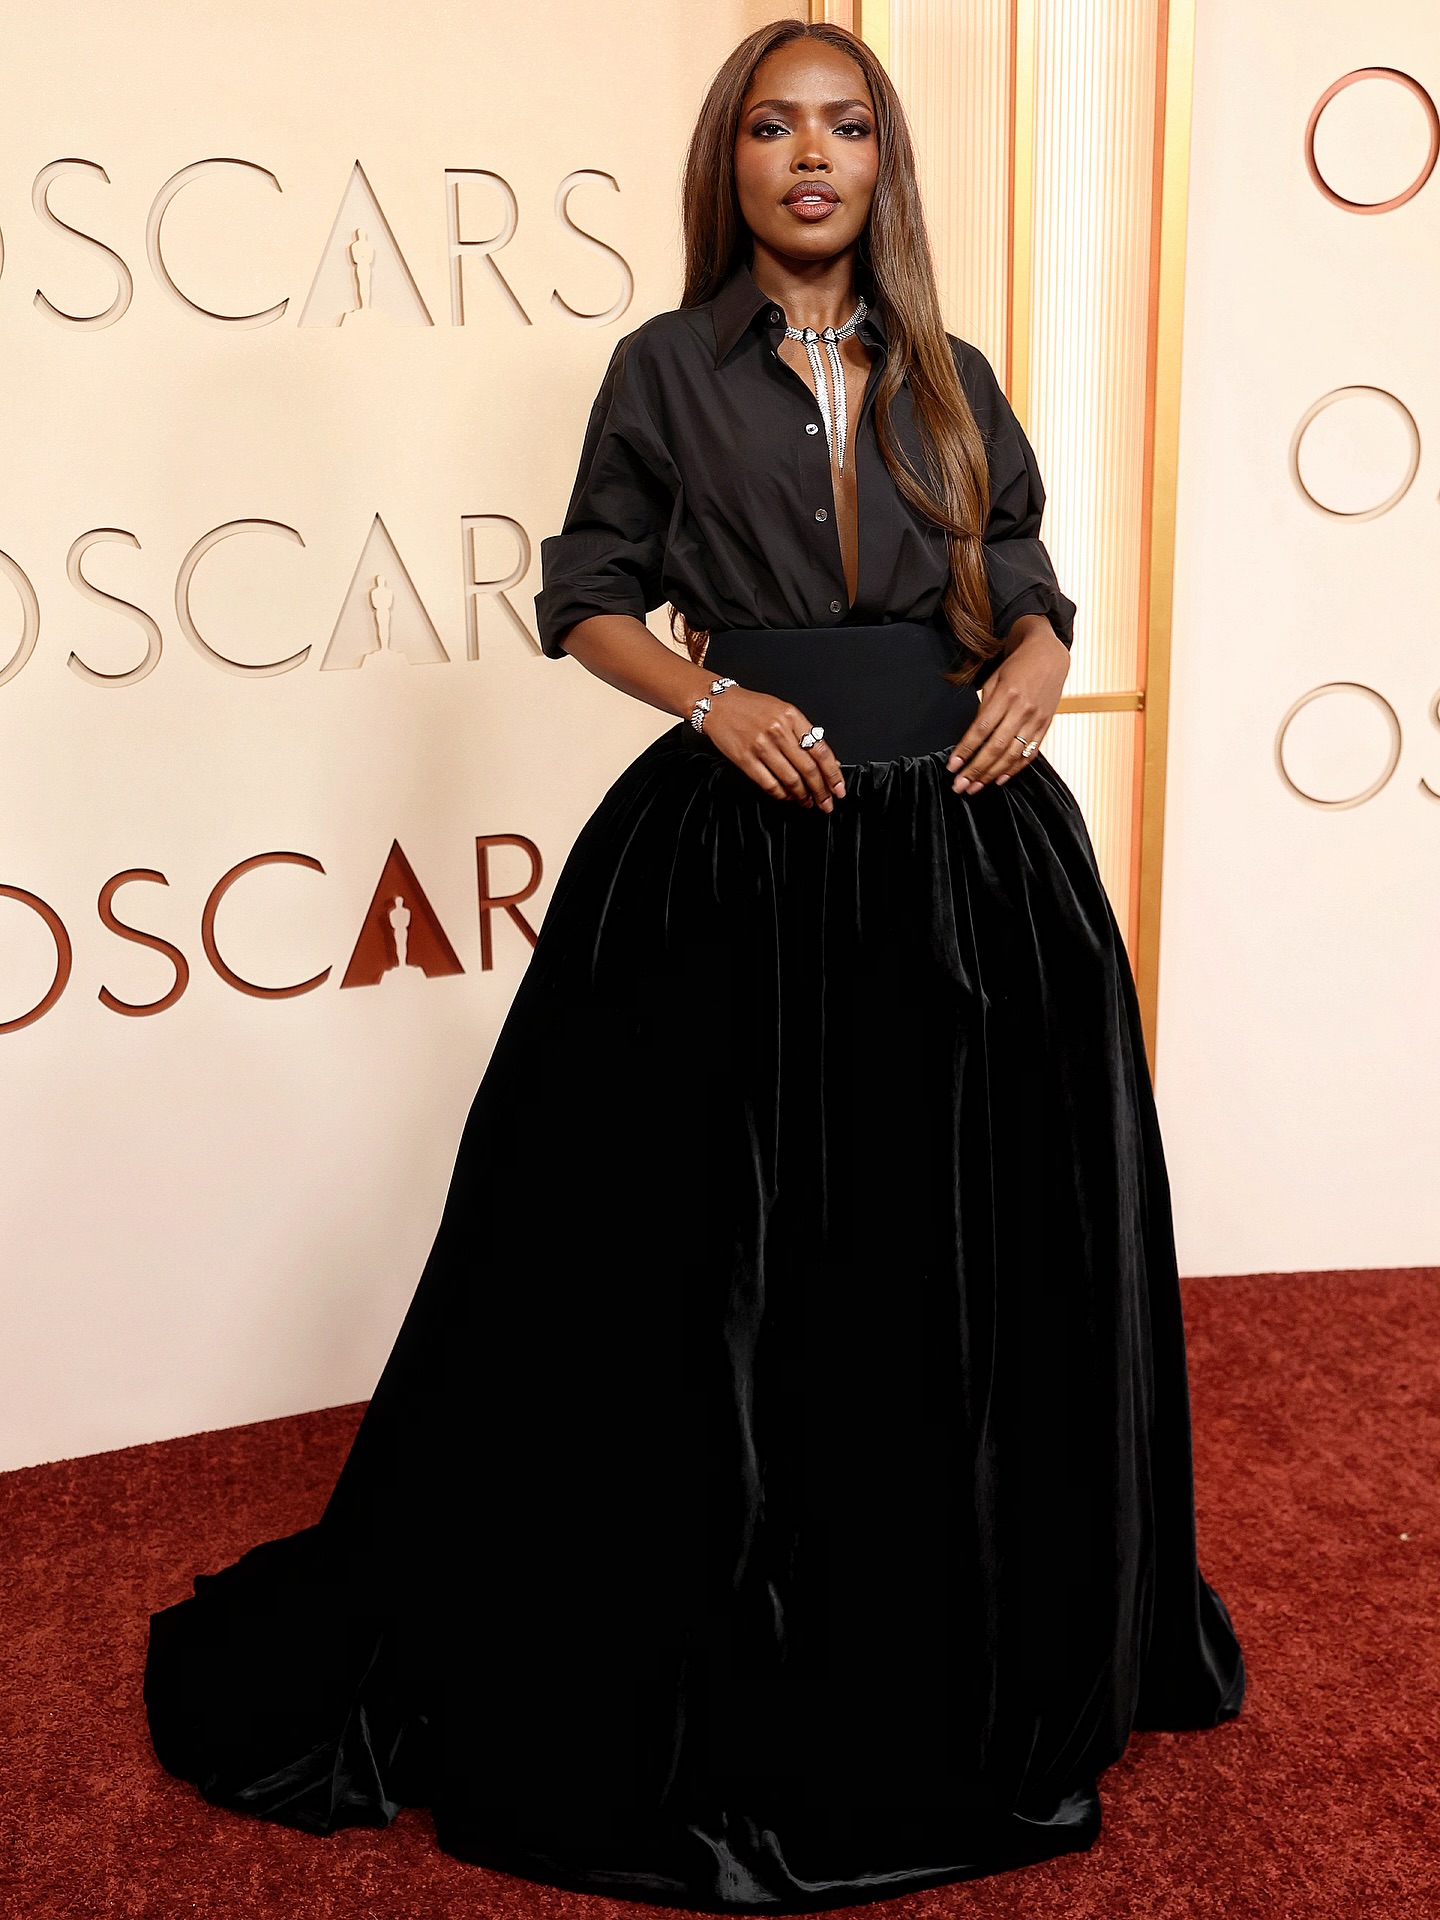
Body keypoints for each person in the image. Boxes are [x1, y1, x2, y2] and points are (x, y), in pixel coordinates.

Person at [145, 20, 1244, 1912]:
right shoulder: (663, 366)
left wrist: (1045, 659)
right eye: (773, 127)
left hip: (972, 860)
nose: (810, 157)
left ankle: (960, 1630)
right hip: (744, 860)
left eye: (845, 127)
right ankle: (735, 1648)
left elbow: (1026, 567)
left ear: (884, 163)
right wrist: (709, 698)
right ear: (728, 161)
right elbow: (583, 592)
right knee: (715, 1272)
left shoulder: (956, 375)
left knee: (953, 1256)